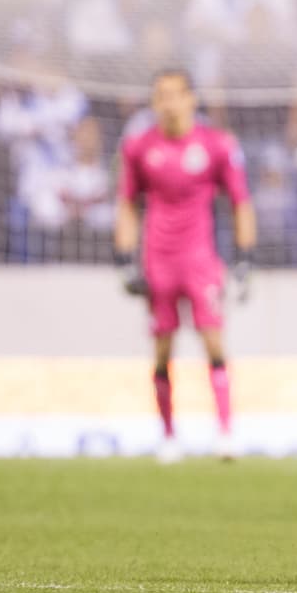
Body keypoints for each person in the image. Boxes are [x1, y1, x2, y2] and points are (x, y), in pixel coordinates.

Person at [114, 69, 256, 464]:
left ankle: (225, 431)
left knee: (212, 339)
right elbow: (126, 203)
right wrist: (124, 258)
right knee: (162, 349)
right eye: (161, 95)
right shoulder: (139, 147)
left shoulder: (216, 145)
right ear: (154, 101)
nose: (169, 102)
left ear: (192, 99)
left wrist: (245, 257)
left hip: (200, 259)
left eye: (176, 94)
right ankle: (168, 435)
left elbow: (240, 201)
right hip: (157, 260)